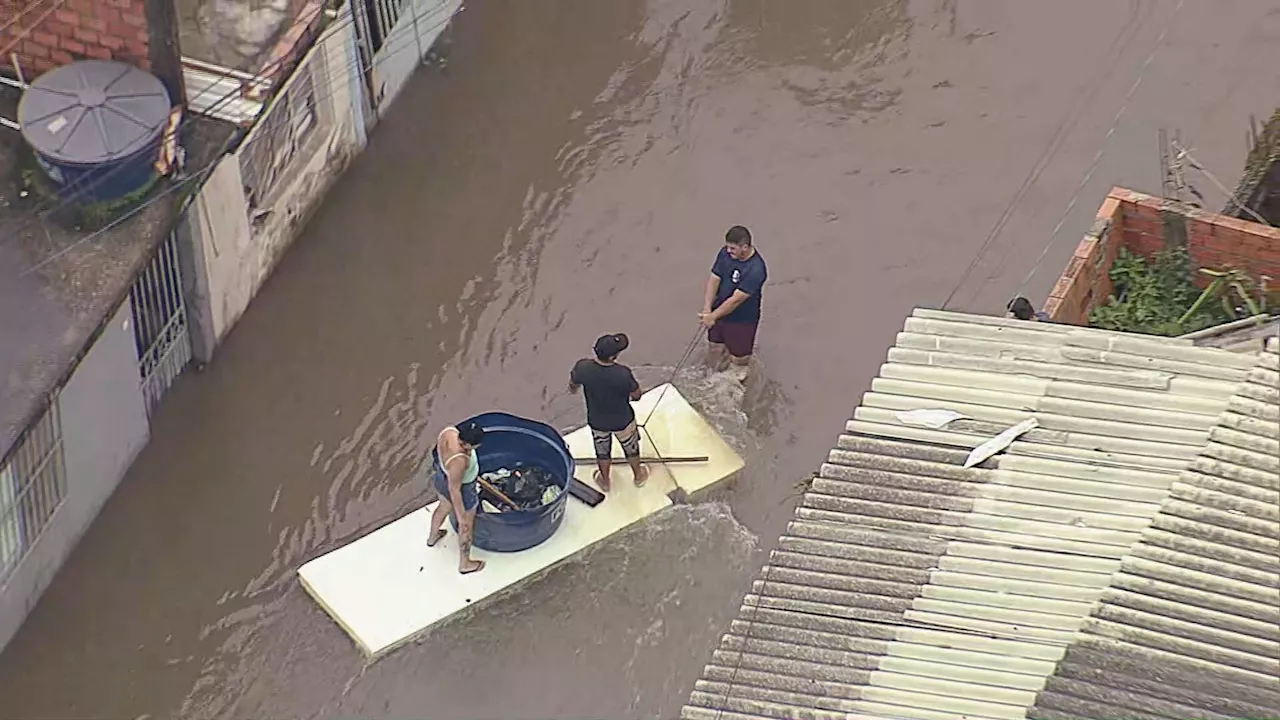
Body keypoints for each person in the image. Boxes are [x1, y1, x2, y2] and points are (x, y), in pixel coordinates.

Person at [568, 333, 648, 493]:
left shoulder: (582, 367)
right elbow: (637, 395)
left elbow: (572, 386)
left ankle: (605, 481)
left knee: (602, 452)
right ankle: (638, 476)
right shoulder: (622, 373)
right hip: (623, 420)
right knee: (631, 448)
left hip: (597, 421)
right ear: (613, 357)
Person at [700, 225, 768, 370]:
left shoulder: (756, 269)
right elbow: (714, 278)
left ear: (744, 247)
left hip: (742, 320)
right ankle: (713, 373)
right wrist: (707, 309)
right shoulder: (725, 253)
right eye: (728, 247)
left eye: (732, 248)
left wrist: (712, 317)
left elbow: (735, 300)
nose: (728, 251)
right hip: (718, 311)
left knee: (739, 360)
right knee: (714, 348)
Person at [425, 420, 486, 574]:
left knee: (443, 507)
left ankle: (432, 538)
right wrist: (462, 517)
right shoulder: (460, 460)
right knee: (466, 527)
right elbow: (455, 490)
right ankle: (465, 564)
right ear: (467, 445)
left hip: (442, 475)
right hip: (462, 488)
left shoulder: (449, 432)